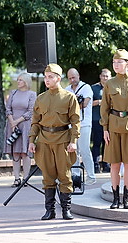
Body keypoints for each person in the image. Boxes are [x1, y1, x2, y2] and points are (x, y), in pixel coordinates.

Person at [28, 63, 80, 220]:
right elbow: (35, 122)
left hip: (63, 139)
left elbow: (75, 121)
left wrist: (74, 141)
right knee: (48, 176)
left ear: (58, 78)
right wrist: (32, 140)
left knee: (65, 175)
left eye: (50, 77)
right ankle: (50, 210)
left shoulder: (69, 97)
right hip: (44, 141)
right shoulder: (40, 99)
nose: (47, 80)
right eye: (45, 77)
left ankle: (66, 210)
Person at [100, 49, 128, 209]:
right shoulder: (110, 83)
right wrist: (104, 128)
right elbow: (104, 108)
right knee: (114, 163)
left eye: (120, 62)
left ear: (127, 64)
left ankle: (126, 198)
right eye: (114, 62)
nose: (116, 65)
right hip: (113, 125)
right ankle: (115, 198)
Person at [3, 72, 37, 187]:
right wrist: (12, 122)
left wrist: (17, 122)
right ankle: (16, 178)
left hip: (25, 125)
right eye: (18, 80)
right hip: (12, 126)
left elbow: (31, 111)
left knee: (25, 152)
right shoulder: (13, 93)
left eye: (20, 80)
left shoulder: (32, 94)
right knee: (15, 152)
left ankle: (25, 178)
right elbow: (8, 108)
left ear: (26, 82)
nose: (18, 82)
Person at [65, 68, 96, 185]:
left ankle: (91, 176)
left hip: (84, 124)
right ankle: (76, 176)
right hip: (71, 124)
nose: (72, 80)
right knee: (73, 150)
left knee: (84, 149)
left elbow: (85, 104)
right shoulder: (67, 90)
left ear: (78, 76)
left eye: (74, 77)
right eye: (70, 78)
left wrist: (72, 104)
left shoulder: (86, 88)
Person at [91, 68, 112, 173]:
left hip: (109, 120)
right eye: (103, 76)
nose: (105, 78)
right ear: (100, 76)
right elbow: (88, 103)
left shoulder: (112, 87)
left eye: (107, 76)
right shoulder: (93, 88)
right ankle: (95, 164)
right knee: (96, 143)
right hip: (97, 119)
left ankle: (106, 164)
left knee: (107, 143)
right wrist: (99, 102)